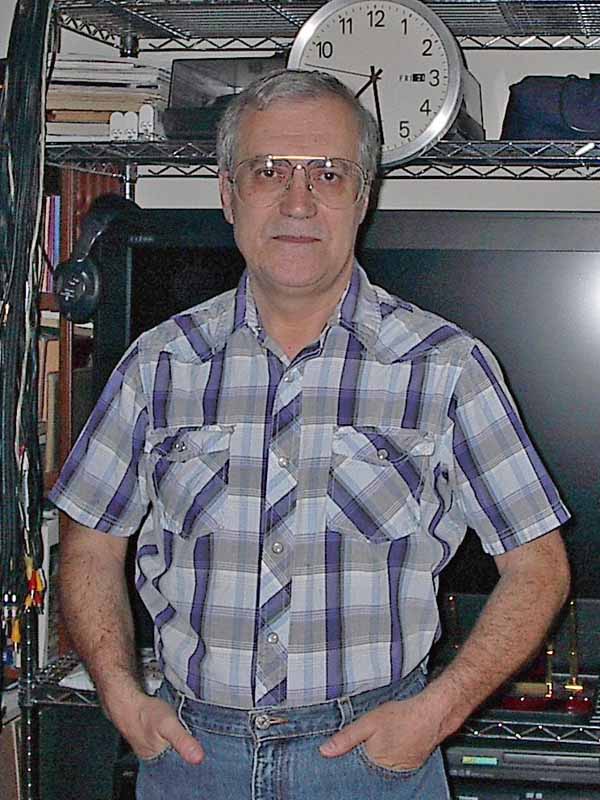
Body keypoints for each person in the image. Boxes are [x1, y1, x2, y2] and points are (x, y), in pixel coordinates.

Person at [50, 69, 571, 800]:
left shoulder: (448, 368)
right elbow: (88, 543)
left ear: (363, 197)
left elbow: (539, 567)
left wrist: (435, 715)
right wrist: (120, 694)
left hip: (373, 764)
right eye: (268, 171)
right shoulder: (156, 366)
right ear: (228, 193)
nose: (298, 202)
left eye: (329, 173)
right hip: (193, 763)